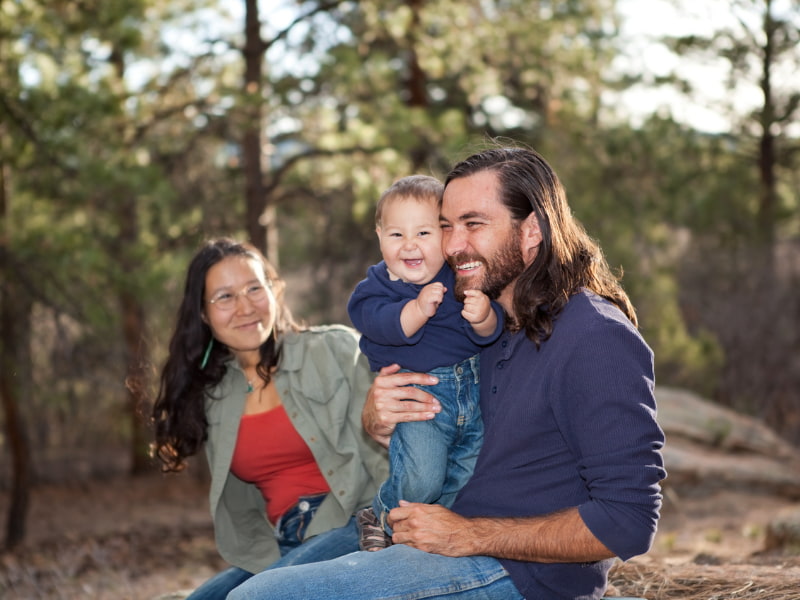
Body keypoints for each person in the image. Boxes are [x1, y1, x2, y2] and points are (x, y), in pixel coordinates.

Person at [226, 145, 667, 600]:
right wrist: (378, 419)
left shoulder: (594, 337)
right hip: (431, 532)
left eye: (474, 224)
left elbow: (629, 521)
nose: (453, 245)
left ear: (532, 230)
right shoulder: (476, 323)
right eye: (446, 226)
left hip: (514, 573)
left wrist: (471, 535)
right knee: (230, 591)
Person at [151, 237, 389, 599]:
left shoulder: (335, 350)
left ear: (274, 292)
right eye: (225, 297)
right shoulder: (214, 396)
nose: (245, 307)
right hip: (281, 545)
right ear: (203, 313)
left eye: (254, 289)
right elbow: (243, 507)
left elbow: (393, 443)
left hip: (354, 524)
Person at [347, 175, 503, 551]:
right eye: (396, 235)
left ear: (445, 237)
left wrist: (483, 316)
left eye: (424, 233)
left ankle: (420, 538)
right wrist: (416, 309)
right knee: (423, 478)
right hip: (421, 401)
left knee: (467, 476)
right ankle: (381, 514)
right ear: (379, 235)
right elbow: (384, 326)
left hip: (473, 394)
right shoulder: (375, 290)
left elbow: (490, 333)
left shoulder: (460, 277)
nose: (410, 245)